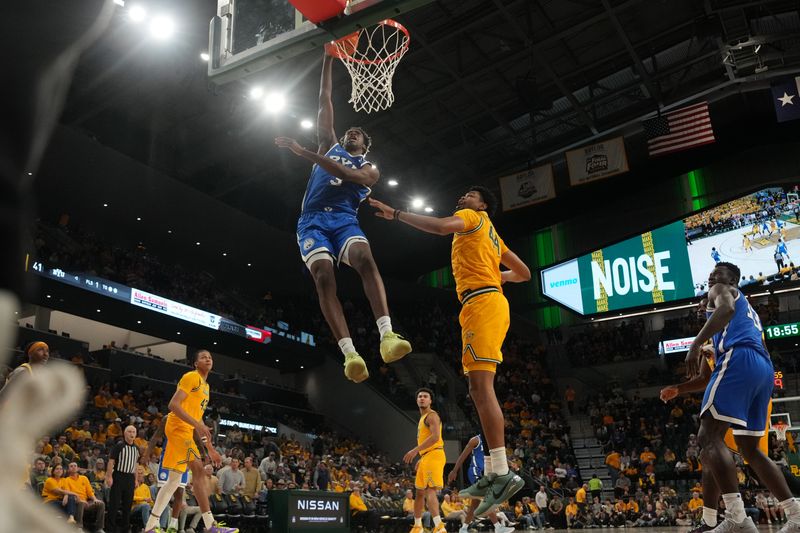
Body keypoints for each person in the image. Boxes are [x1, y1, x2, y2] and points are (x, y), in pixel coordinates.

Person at [370, 186, 530, 516]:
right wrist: (496, 275)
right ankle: (492, 470)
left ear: (483, 204)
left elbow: (441, 227)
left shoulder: (471, 218)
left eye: (470, 195)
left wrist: (396, 214)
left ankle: (500, 473)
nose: (462, 198)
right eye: (462, 196)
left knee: (480, 389)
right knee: (478, 390)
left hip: (482, 303)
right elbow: (524, 273)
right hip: (487, 301)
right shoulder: (494, 236)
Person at [274, 51, 411, 384]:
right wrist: (328, 59)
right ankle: (350, 353)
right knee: (323, 278)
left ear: (365, 145)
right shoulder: (327, 145)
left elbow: (350, 178)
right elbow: (324, 99)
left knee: (365, 258)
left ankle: (387, 335)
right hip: (313, 221)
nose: (351, 133)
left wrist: (303, 153)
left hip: (344, 220)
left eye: (358, 134)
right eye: (348, 131)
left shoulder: (369, 169)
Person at [684, 262, 800, 533]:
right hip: (763, 369)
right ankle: (795, 514)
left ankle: (737, 518)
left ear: (732, 280)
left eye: (720, 273)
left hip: (739, 359)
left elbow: (725, 308)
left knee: (707, 437)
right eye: (711, 273)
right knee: (750, 450)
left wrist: (695, 343)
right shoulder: (747, 310)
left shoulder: (723, 290)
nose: (713, 276)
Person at [143, 349, 232, 533]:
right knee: (198, 471)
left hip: (185, 430)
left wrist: (210, 449)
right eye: (203, 357)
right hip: (177, 428)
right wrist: (197, 426)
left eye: (210, 357)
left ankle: (150, 526)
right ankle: (210, 525)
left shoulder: (206, 388)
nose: (208, 358)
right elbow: (173, 405)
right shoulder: (191, 377)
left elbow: (198, 420)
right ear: (195, 363)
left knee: (174, 482)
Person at [446, 434, 513, 533]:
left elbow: (498, 457)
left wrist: (510, 463)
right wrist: (454, 470)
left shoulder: (491, 441)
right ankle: (498, 527)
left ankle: (464, 528)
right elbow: (462, 456)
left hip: (485, 473)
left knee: (475, 503)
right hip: (475, 472)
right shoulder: (475, 440)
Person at [405, 388, 447, 533]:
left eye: (425, 396)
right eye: (420, 396)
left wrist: (415, 450)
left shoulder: (432, 416)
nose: (422, 398)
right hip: (427, 456)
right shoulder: (422, 419)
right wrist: (422, 457)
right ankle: (417, 526)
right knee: (419, 493)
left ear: (430, 401)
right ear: (417, 400)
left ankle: (439, 526)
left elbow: (435, 437)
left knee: (430, 490)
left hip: (434, 455)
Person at [106, 425, 140, 533]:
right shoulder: (119, 446)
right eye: (129, 431)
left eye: (133, 432)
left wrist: (136, 479)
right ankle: (110, 529)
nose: (132, 434)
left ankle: (125, 529)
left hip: (130, 478)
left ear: (136, 434)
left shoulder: (137, 448)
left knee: (127, 505)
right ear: (125, 434)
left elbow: (136, 465)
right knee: (114, 504)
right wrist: (109, 476)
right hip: (118, 476)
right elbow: (111, 461)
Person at [63, 461, 106, 532]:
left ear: (77, 468)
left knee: (101, 504)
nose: (73, 467)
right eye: (71, 466)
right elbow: (68, 493)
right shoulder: (66, 480)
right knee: (81, 503)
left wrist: (95, 499)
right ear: (68, 470)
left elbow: (90, 492)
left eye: (75, 466)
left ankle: (99, 528)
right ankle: (79, 527)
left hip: (86, 502)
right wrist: (80, 500)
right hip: (75, 502)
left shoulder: (84, 478)